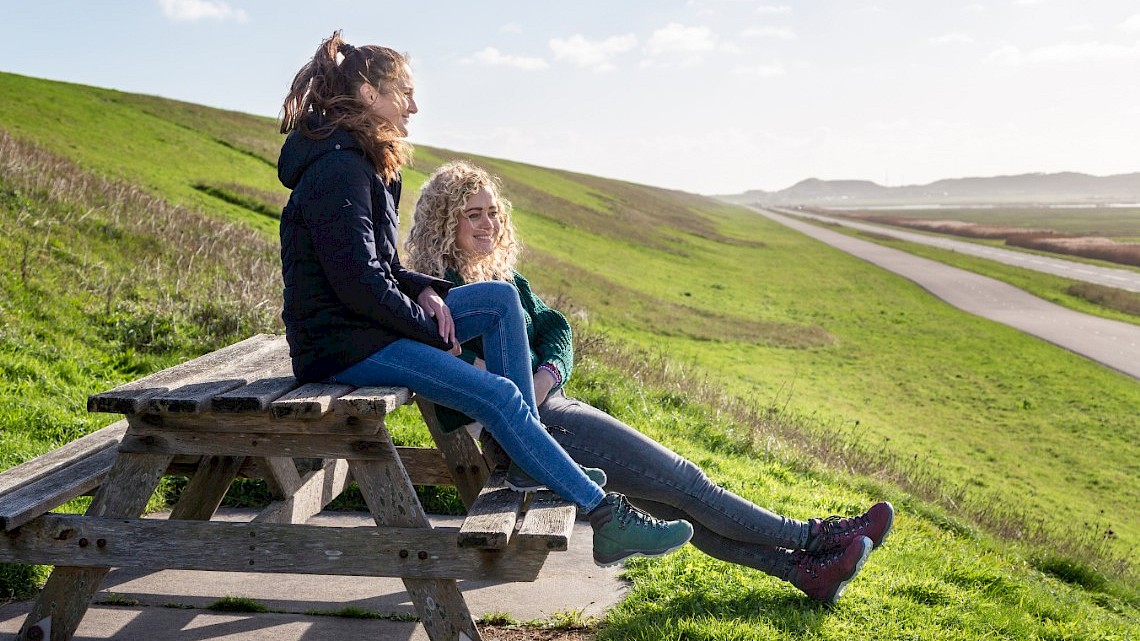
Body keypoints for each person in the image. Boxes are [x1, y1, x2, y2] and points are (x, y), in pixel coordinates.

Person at [276, 32, 693, 568]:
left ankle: (528, 455)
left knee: (499, 299)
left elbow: (379, 266)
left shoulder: (368, 163)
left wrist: (425, 289)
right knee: (496, 395)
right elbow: (359, 285)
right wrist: (428, 329)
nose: (414, 104)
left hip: (364, 327)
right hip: (341, 346)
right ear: (367, 93)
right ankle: (607, 518)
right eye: (403, 91)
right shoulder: (338, 170)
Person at [405, 160, 896, 604]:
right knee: (685, 481)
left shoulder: (502, 278)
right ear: (445, 224)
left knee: (669, 497)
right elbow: (459, 390)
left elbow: (557, 327)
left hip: (551, 409)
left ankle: (804, 573)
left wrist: (548, 372)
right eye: (473, 214)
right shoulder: (443, 300)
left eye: (492, 212)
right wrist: (522, 394)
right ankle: (817, 538)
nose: (488, 223)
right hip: (539, 434)